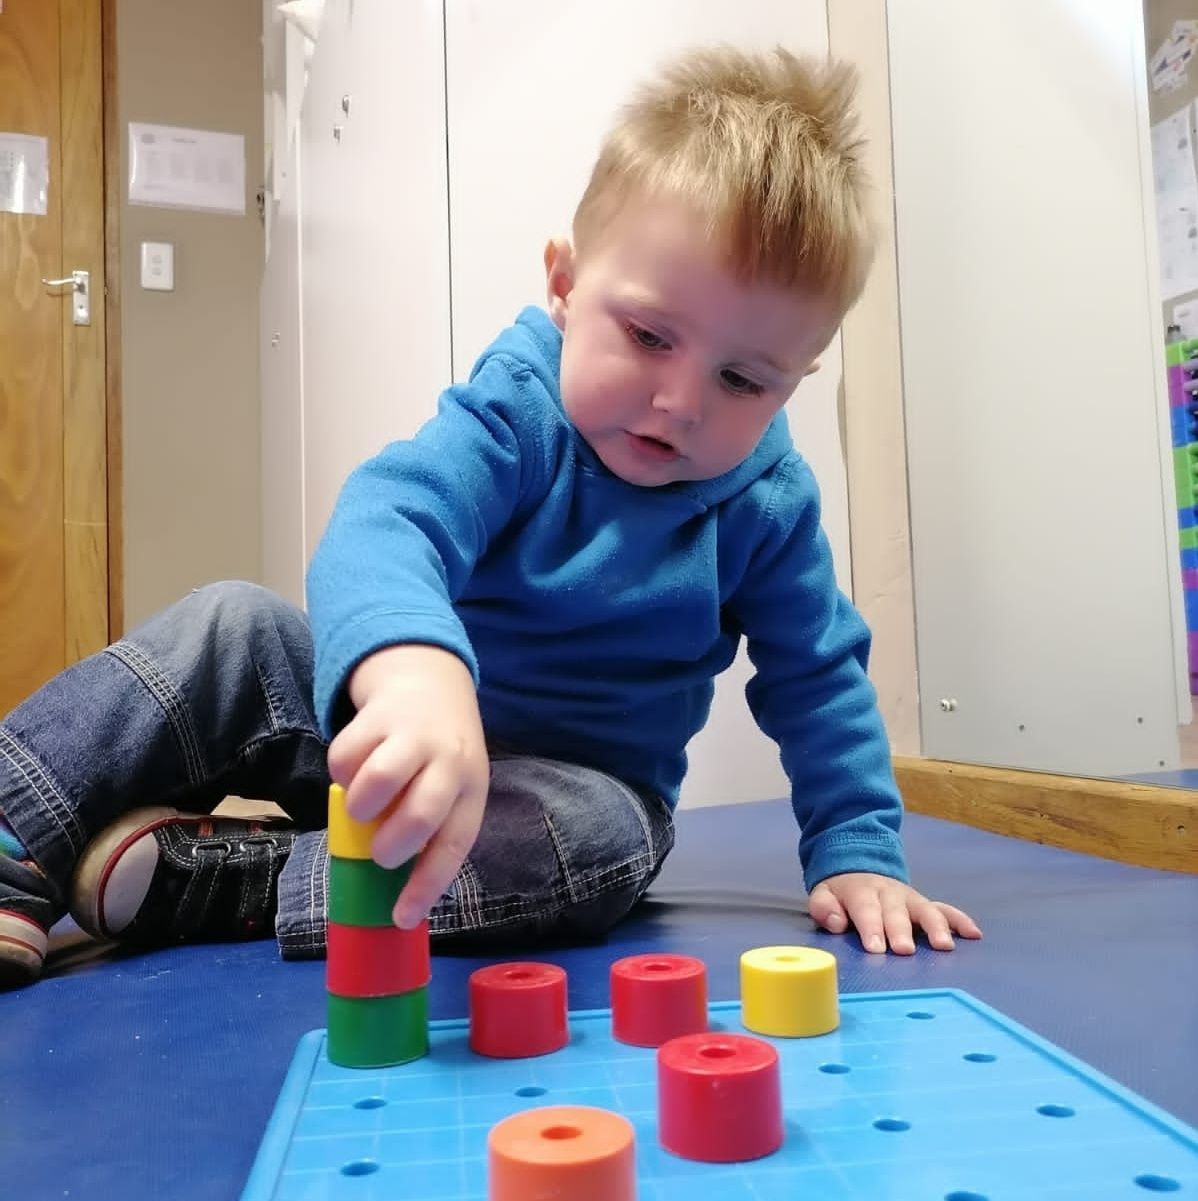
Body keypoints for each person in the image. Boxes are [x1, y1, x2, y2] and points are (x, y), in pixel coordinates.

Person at [0, 45, 980, 991]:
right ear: (562, 286)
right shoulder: (517, 411)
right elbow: (388, 518)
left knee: (605, 844)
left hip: (559, 794)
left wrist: (858, 849)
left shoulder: (765, 503)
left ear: (795, 382)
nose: (680, 402)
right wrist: (415, 675)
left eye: (740, 378)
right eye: (646, 336)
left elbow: (818, 677)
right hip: (393, 740)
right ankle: (16, 833)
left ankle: (242, 880)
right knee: (230, 623)